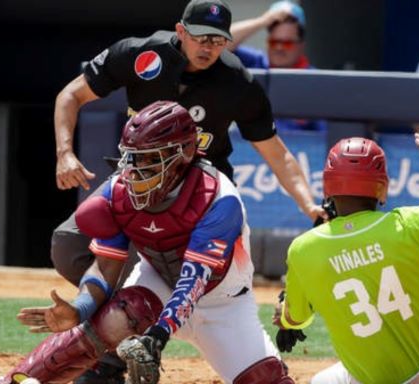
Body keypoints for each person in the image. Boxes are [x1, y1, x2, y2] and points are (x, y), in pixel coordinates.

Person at [51, 1, 324, 380]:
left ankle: (120, 356)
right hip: (139, 187)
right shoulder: (140, 54)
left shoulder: (237, 82)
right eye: (200, 37)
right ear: (181, 32)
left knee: (190, 278)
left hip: (199, 204)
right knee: (70, 244)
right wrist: (65, 153)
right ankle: (119, 348)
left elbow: (278, 155)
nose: (208, 46)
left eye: (217, 39)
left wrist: (311, 207)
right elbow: (71, 95)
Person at [0, 101, 294, 384]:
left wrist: (157, 337)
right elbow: (106, 265)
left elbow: (193, 283)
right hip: (158, 282)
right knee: (124, 312)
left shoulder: (219, 199)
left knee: (266, 379)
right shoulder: (119, 192)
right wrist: (81, 308)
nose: (135, 170)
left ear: (185, 153)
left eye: (151, 158)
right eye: (133, 157)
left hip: (223, 303)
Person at [274, 133, 419, 383]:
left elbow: (295, 318)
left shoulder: (303, 249)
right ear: (382, 190)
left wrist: (284, 316)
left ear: (328, 188)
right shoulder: (414, 224)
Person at [227, 0, 327, 132]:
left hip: (297, 149)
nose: (279, 48)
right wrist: (262, 21)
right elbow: (217, 45)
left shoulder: (315, 80)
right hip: (249, 147)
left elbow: (325, 137)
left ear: (302, 45)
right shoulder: (256, 62)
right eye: (274, 42)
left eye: (287, 43)